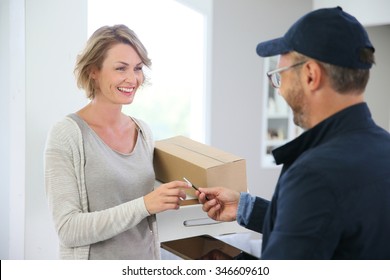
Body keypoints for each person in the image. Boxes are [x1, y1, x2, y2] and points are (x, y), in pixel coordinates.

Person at [197, 7, 390, 259]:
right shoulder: (383, 150)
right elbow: (333, 227)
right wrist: (246, 208)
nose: (279, 89)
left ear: (311, 75)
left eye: (279, 76)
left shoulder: (314, 173)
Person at [44, 24, 189, 260]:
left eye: (138, 68)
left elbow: (145, 210)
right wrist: (145, 204)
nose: (132, 79)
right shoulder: (67, 134)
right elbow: (67, 230)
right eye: (121, 68)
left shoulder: (143, 131)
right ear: (94, 71)